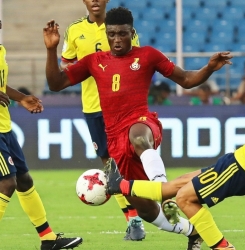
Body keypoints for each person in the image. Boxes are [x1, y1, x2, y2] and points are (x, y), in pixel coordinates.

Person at [43, 7, 233, 250]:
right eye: (112, 34)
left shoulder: (147, 55)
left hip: (142, 123)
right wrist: (51, 50)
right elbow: (56, 83)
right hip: (115, 141)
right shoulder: (94, 61)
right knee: (143, 208)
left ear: (132, 33)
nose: (117, 40)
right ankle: (192, 231)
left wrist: (208, 68)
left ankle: (164, 191)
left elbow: (186, 79)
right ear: (107, 34)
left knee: (138, 136)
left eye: (122, 34)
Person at [105, 72, 245, 250]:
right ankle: (121, 186)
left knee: (183, 198)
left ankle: (220, 246)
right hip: (234, 163)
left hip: (241, 171)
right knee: (176, 185)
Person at [59, 0, 144, 241]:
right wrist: (78, 68)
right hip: (93, 107)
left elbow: (135, 59)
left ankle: (164, 203)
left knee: (136, 160)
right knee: (110, 166)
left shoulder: (122, 28)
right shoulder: (74, 30)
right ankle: (134, 220)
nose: (95, 0)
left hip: (122, 106)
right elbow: (65, 62)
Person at [0, 20, 82, 250]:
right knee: (6, 183)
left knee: (24, 181)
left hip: (4, 127)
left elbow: (1, 85)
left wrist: (21, 98)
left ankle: (48, 239)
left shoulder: (0, 50)